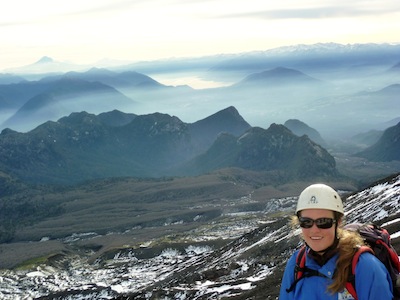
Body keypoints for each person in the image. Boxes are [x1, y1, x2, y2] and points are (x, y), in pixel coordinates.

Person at [279, 183, 393, 300]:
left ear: (338, 222)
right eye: (306, 222)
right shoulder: (296, 264)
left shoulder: (365, 267)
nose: (314, 230)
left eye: (323, 222)